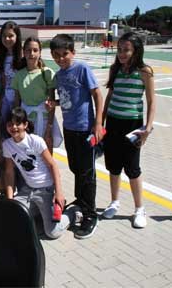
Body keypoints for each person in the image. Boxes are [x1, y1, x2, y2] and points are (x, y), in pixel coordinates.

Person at [49, 34, 104, 239]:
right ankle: (81, 201)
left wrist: (98, 123)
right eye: (57, 55)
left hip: (85, 128)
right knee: (75, 168)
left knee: (87, 173)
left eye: (65, 54)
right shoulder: (59, 75)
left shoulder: (81, 69)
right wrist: (53, 104)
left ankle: (91, 214)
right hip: (70, 128)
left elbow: (97, 94)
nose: (61, 58)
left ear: (73, 52)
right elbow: (65, 98)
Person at [101, 32, 156, 228]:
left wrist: (147, 129)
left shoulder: (144, 71)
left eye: (126, 50)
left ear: (136, 51)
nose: (122, 54)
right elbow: (109, 98)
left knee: (132, 168)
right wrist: (101, 122)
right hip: (113, 124)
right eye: (119, 50)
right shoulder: (115, 69)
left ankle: (139, 209)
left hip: (133, 125)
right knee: (113, 166)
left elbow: (151, 101)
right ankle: (114, 202)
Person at [3, 107, 80, 239]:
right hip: (27, 190)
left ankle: (72, 212)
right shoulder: (7, 145)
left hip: (45, 189)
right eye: (10, 124)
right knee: (12, 218)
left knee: (52, 232)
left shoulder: (35, 141)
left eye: (18, 123)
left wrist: (59, 192)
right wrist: (10, 199)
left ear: (25, 125)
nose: (14, 127)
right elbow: (9, 172)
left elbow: (53, 165)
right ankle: (39, 210)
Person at [12, 37, 60, 153]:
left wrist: (49, 127)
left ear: (40, 52)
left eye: (35, 50)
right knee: (28, 155)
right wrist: (17, 122)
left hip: (43, 120)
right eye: (28, 50)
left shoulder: (47, 73)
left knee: (46, 154)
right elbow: (17, 101)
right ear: (24, 52)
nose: (31, 53)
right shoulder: (19, 75)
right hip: (26, 122)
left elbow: (51, 102)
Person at [0, 21, 23, 133]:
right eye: (4, 36)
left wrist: (17, 103)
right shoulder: (2, 57)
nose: (7, 39)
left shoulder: (23, 56)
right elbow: (4, 82)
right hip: (6, 100)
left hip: (20, 101)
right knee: (5, 130)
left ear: (17, 36)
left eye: (11, 36)